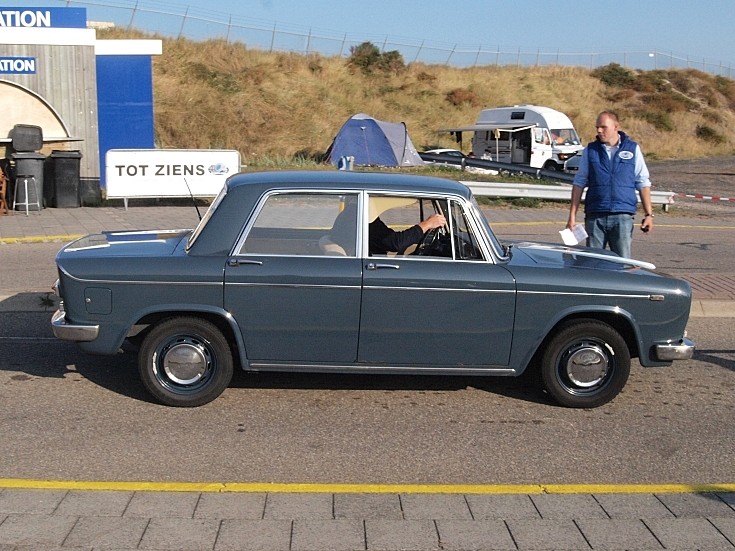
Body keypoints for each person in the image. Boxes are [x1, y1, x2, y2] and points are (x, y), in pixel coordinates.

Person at [566, 110, 654, 258]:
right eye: (597, 127)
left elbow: (643, 182)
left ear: (616, 127)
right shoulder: (590, 150)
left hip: (622, 216)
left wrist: (649, 214)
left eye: (603, 127)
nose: (599, 131)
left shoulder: (632, 148)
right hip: (595, 216)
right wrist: (572, 217)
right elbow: (579, 183)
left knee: (622, 263)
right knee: (593, 263)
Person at [369, 213, 446, 255]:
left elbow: (389, 236)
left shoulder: (367, 217)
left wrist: (427, 224)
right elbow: (395, 243)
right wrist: (427, 224)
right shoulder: (366, 221)